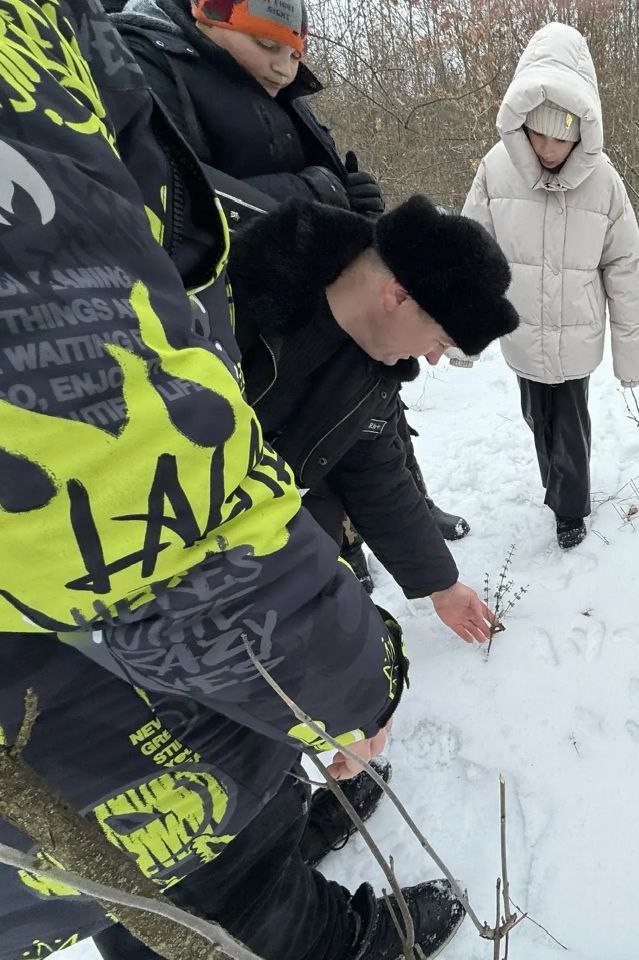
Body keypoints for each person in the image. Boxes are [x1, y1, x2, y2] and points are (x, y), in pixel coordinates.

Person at [0, 2, 462, 957]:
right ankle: (332, 936)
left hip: (126, 609)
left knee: (228, 774)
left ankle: (286, 833)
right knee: (197, 858)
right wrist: (351, 679)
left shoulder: (80, 40)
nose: (285, 68)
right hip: (67, 648)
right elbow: (121, 477)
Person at [110, 0, 473, 553]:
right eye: (268, 46)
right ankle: (341, 552)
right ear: (205, 16)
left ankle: (394, 523)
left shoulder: (276, 94)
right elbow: (168, 195)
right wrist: (317, 196)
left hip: (333, 320)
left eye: (294, 52)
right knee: (306, 465)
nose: (284, 67)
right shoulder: (142, 62)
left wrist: (356, 206)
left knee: (375, 428)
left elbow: (319, 179)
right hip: (245, 338)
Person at [225, 195, 519, 645]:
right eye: (441, 340)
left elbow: (376, 477)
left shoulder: (372, 372)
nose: (435, 359)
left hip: (259, 555)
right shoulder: (227, 298)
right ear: (398, 296)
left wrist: (441, 584)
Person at [463, 23, 639, 550]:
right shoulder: (495, 171)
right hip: (521, 333)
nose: (547, 147)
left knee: (570, 425)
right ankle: (554, 486)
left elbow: (625, 266)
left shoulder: (605, 182)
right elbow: (469, 255)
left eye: (560, 134)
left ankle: (571, 509)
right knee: (535, 417)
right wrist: (459, 333)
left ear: (581, 129)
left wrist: (629, 354)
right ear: (518, 124)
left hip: (576, 337)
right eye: (537, 133)